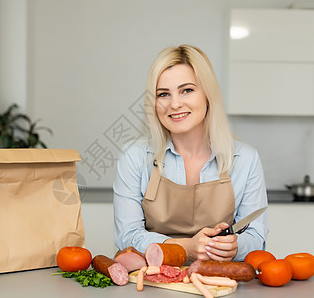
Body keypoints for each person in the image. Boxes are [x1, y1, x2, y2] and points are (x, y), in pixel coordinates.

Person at [113, 44, 268, 262]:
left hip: (217, 284)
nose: (174, 104)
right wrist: (187, 247)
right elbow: (126, 236)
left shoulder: (246, 159)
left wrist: (235, 246)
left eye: (187, 90)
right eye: (163, 94)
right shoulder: (134, 156)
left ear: (208, 95)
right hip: (150, 281)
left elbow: (256, 237)